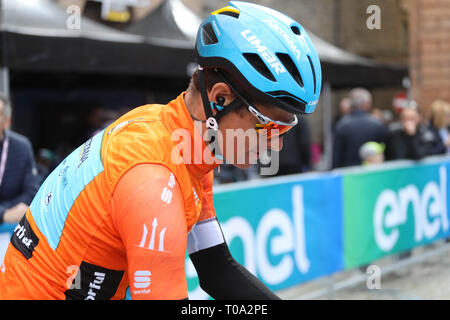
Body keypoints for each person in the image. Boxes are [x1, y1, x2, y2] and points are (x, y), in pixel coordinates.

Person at [0, 2, 322, 300]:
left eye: (286, 129)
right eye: (268, 126)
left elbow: (216, 268)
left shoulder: (185, 141)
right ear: (220, 97)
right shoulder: (153, 179)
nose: (276, 143)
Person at [0, 94, 39, 226]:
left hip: (7, 232)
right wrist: (3, 214)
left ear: (7, 121)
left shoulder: (20, 146)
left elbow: (31, 192)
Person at [332, 88, 386, 168]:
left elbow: (336, 157)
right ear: (367, 104)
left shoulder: (341, 125)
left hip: (349, 175)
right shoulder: (377, 124)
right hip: (373, 173)